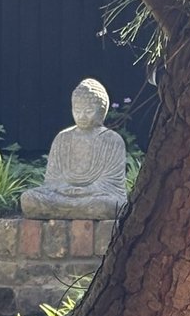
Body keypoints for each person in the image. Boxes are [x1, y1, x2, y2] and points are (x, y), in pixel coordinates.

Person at [20, 78, 128, 220]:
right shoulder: (63, 138)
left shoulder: (112, 140)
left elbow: (111, 184)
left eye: (89, 111)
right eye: (77, 110)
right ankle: (74, 209)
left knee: (108, 205)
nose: (81, 116)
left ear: (101, 111)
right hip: (63, 195)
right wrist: (63, 188)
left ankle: (66, 210)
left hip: (96, 197)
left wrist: (85, 190)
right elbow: (52, 181)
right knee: (29, 199)